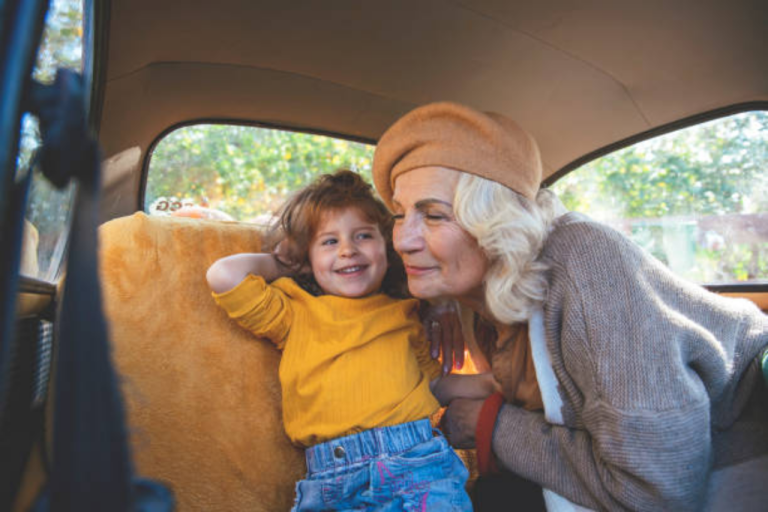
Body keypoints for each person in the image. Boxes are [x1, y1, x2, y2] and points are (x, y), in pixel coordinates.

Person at [371, 101, 768, 511]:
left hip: (736, 458)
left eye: (434, 215)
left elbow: (658, 490)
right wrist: (433, 303)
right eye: (399, 215)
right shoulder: (474, 292)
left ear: (495, 223)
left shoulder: (585, 264)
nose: (403, 240)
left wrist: (491, 426)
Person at [206, 169, 488, 511]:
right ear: (306, 258)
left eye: (363, 236)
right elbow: (223, 276)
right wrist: (289, 265)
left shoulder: (404, 313)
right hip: (330, 483)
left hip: (418, 465)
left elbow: (434, 385)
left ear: (388, 247)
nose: (347, 250)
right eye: (329, 241)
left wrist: (493, 383)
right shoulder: (294, 311)